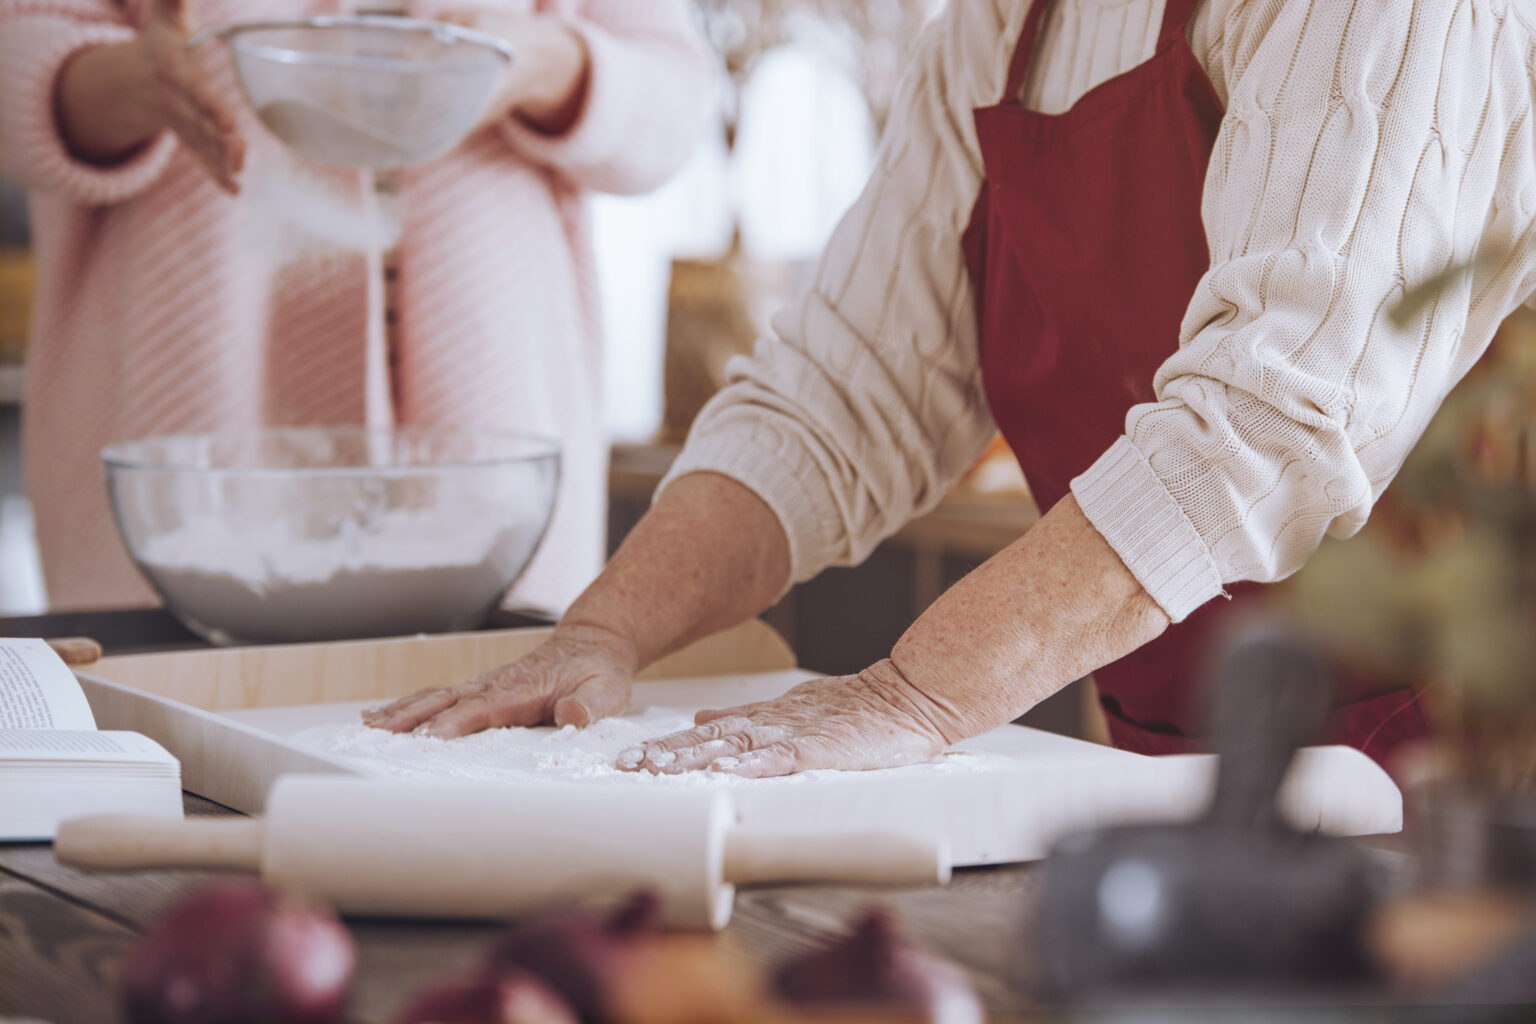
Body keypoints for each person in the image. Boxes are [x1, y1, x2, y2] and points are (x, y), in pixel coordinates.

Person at [368, 0, 1536, 776]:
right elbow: (844, 388)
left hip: (1466, 765)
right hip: (1187, 757)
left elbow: (1277, 409)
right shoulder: (1003, 22)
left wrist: (915, 695)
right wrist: (602, 630)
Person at [0, 0, 712, 614]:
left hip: (491, 436)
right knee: (187, 752)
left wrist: (548, 65)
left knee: (482, 738)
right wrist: (122, 86)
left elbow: (675, 106)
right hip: (185, 435)